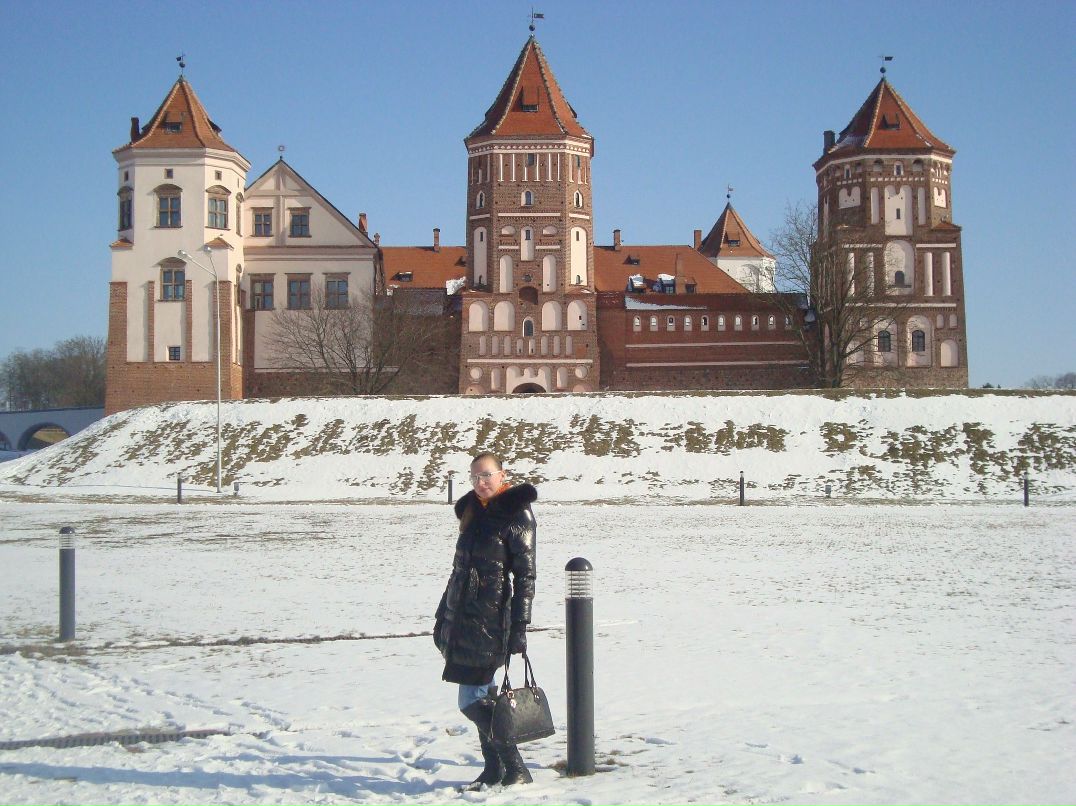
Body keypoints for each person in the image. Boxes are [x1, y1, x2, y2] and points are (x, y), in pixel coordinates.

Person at [433, 452, 537, 789]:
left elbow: (525, 577)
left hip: (490, 620)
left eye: (486, 476)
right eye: (474, 477)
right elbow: (459, 571)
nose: (480, 483)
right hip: (462, 616)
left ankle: (516, 767)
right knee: (484, 695)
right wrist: (442, 614)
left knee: (471, 700)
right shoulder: (473, 511)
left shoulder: (516, 514)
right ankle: (494, 770)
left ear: (502, 474)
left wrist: (520, 627)